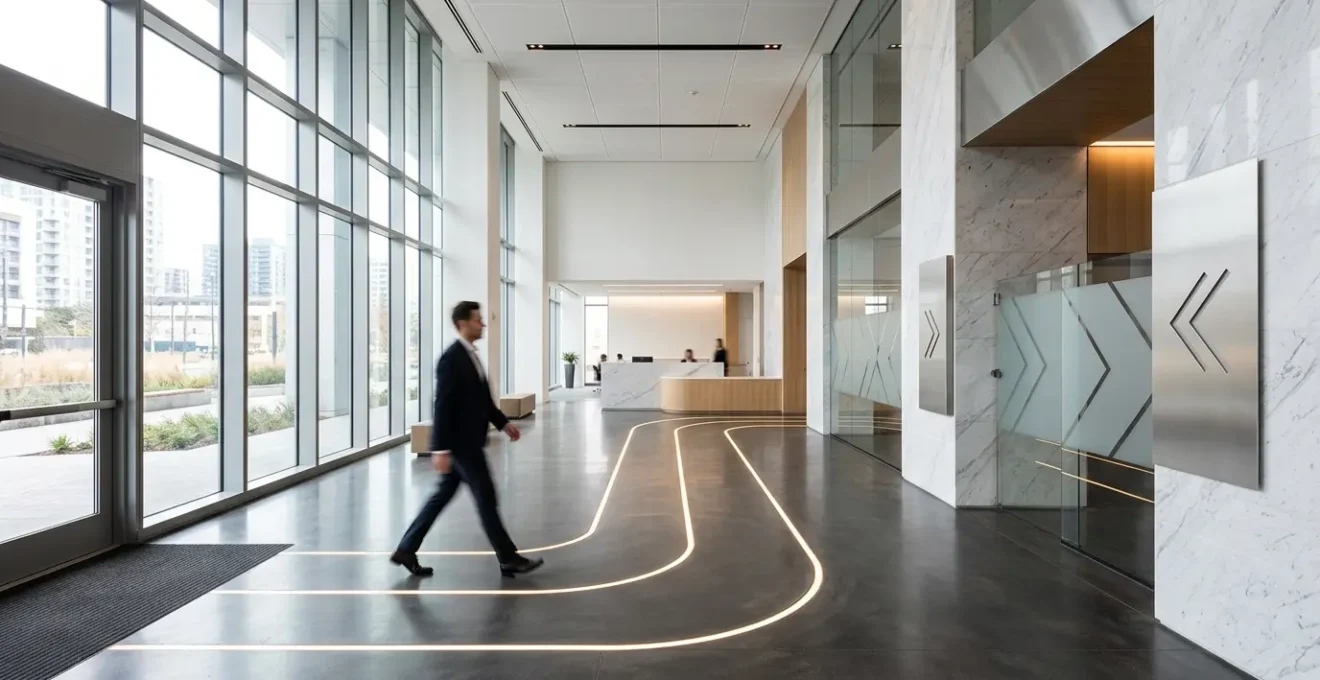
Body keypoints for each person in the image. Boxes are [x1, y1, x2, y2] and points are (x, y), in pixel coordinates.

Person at [391, 301, 544, 579]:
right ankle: (508, 557)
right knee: (486, 498)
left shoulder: (470, 355)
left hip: (468, 443)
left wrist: (503, 422)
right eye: (477, 320)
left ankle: (406, 548)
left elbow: (482, 400)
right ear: (462, 323)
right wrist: (440, 448)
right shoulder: (452, 358)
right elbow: (443, 405)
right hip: (462, 446)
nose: (482, 324)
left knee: (441, 497)